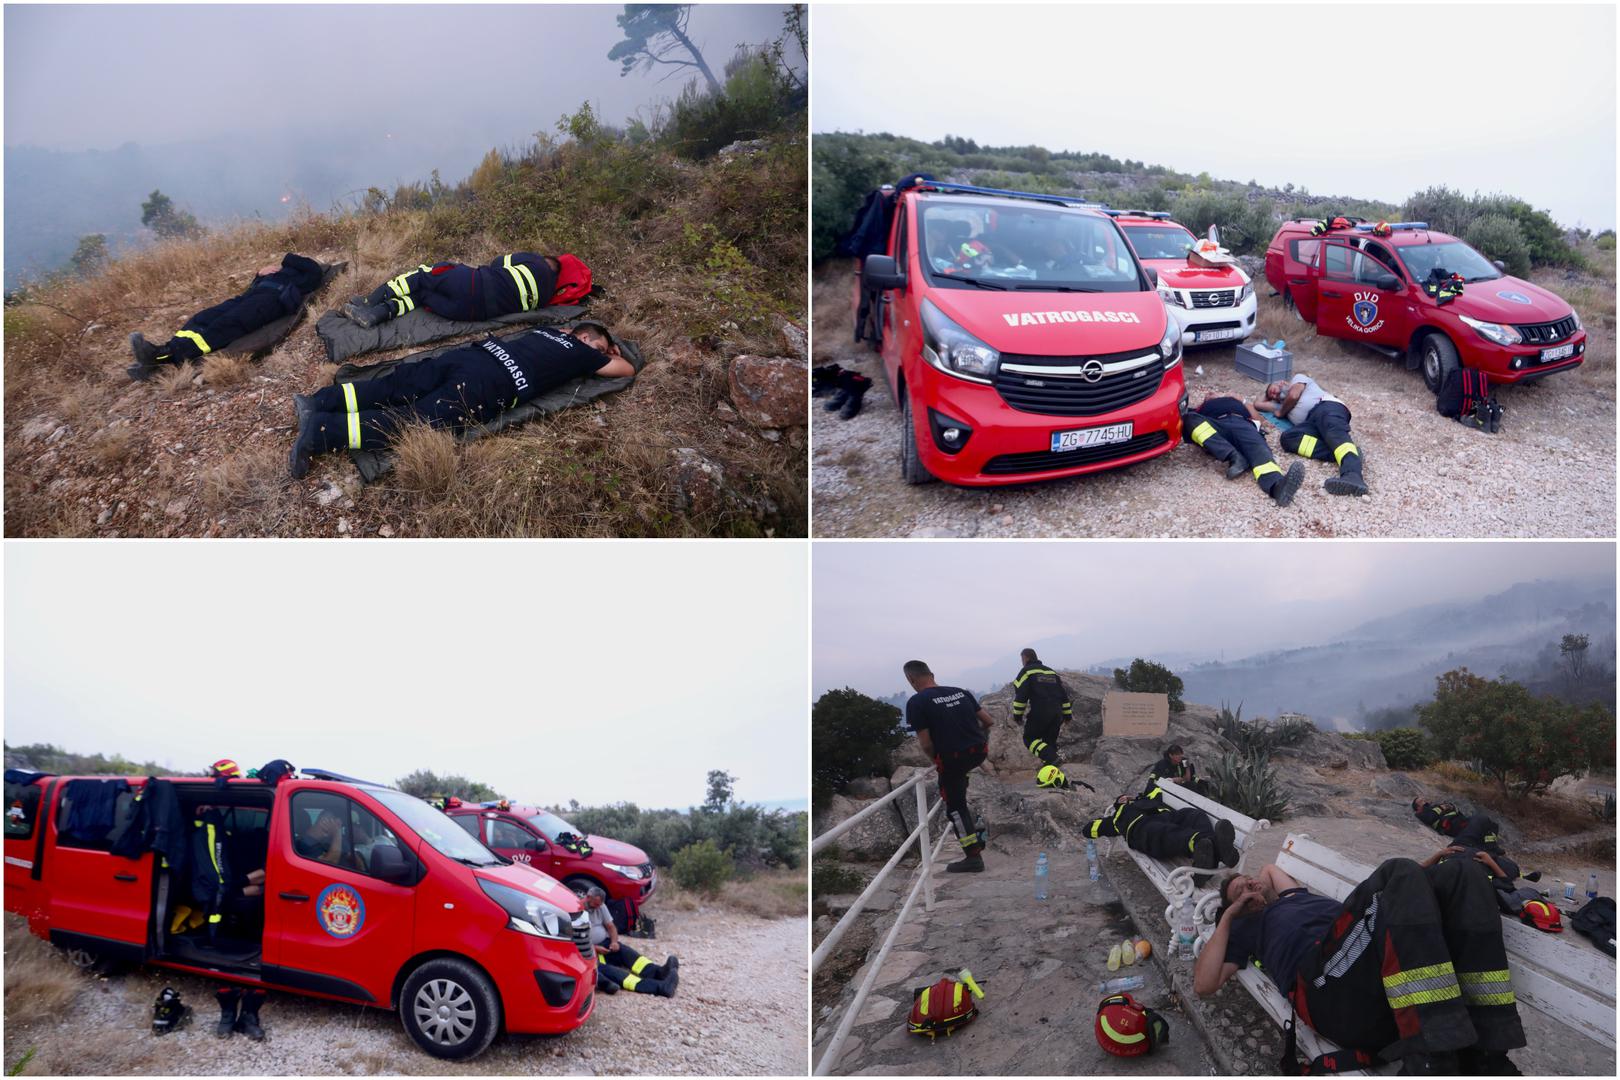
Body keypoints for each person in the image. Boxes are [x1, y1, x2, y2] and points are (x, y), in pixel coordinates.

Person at [1195, 860, 1525, 1074]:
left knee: (1460, 872)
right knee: (1398, 870)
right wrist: (1231, 912)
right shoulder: (1244, 927)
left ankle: (1488, 1052)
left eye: (1250, 881)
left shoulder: (1294, 897)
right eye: (1240, 889)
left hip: (1373, 975)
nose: (1250, 884)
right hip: (1323, 987)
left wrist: (1255, 883)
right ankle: (1432, 1056)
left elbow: (1268, 868)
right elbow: (1204, 984)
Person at [287, 322, 635, 478]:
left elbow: (569, 333)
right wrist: (612, 352)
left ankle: (319, 401)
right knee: (417, 422)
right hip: (491, 382)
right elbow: (626, 370)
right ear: (585, 337)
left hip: (473, 357)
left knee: (395, 386)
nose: (602, 355)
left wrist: (591, 340)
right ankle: (319, 432)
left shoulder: (546, 331)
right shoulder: (582, 351)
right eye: (600, 346)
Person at [127, 253, 326, 380]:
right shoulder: (274, 273)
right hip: (249, 297)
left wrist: (285, 260)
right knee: (202, 318)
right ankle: (159, 356)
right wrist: (259, 273)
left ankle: (165, 355)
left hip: (269, 303)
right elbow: (254, 286)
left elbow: (312, 268)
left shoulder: (306, 275)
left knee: (224, 326)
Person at [903, 659, 994, 873]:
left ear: (911, 679)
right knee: (960, 790)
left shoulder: (917, 702)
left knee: (955, 808)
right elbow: (988, 721)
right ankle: (977, 831)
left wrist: (936, 761)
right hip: (978, 752)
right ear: (932, 674)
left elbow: (925, 743)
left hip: (953, 758)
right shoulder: (960, 692)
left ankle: (973, 857)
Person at [341, 252, 591, 327]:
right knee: (421, 297)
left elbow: (497, 263)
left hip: (473, 283)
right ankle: (377, 314)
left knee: (421, 277)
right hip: (466, 312)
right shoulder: (547, 298)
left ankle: (368, 301)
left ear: (550, 261)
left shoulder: (535, 261)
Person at [1182, 394, 1305, 507]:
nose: (1210, 394)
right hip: (1217, 426)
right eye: (1207, 395)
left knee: (1259, 450)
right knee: (1188, 419)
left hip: (1242, 423)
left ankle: (1277, 487)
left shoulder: (1236, 402)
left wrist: (1243, 401)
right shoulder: (1200, 409)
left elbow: (1259, 420)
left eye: (1212, 394)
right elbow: (1191, 429)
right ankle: (1234, 456)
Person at [1256, 375, 1368, 497]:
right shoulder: (1282, 405)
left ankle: (1353, 475)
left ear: (1282, 382)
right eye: (1273, 397)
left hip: (1326, 406)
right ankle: (1349, 455)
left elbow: (1294, 395)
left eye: (1274, 389)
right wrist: (1267, 393)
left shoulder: (1298, 380)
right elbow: (1257, 404)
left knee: (1332, 431)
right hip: (1311, 422)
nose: (1273, 395)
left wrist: (1281, 412)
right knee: (1288, 438)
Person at [1082, 789, 1238, 873]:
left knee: (1194, 815)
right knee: (1164, 831)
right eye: (1121, 799)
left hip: (1168, 816)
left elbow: (1157, 789)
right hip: (1142, 829)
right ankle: (1205, 846)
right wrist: (1116, 809)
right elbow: (1088, 830)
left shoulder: (1147, 799)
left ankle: (1214, 850)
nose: (1124, 798)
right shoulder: (1118, 818)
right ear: (1118, 804)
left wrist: (1139, 797)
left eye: (1125, 797)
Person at [584, 887, 678, 997]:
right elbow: (575, 943)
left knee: (627, 953)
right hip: (590, 952)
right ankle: (660, 988)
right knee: (616, 974)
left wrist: (614, 942)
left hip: (605, 943)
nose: (597, 908)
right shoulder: (576, 911)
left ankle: (658, 972)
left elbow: (611, 926)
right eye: (595, 905)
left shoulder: (600, 906)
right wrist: (595, 948)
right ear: (588, 897)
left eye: (599, 905)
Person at [1011, 649, 1075, 789]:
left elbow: (1021, 695)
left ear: (1025, 658)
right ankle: (1052, 775)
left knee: (1029, 739)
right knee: (1049, 742)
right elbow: (1063, 695)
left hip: (1040, 712)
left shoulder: (1027, 672)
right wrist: (1067, 715)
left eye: (1022, 660)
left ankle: (1051, 758)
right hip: (1057, 713)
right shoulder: (1051, 672)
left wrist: (1017, 715)